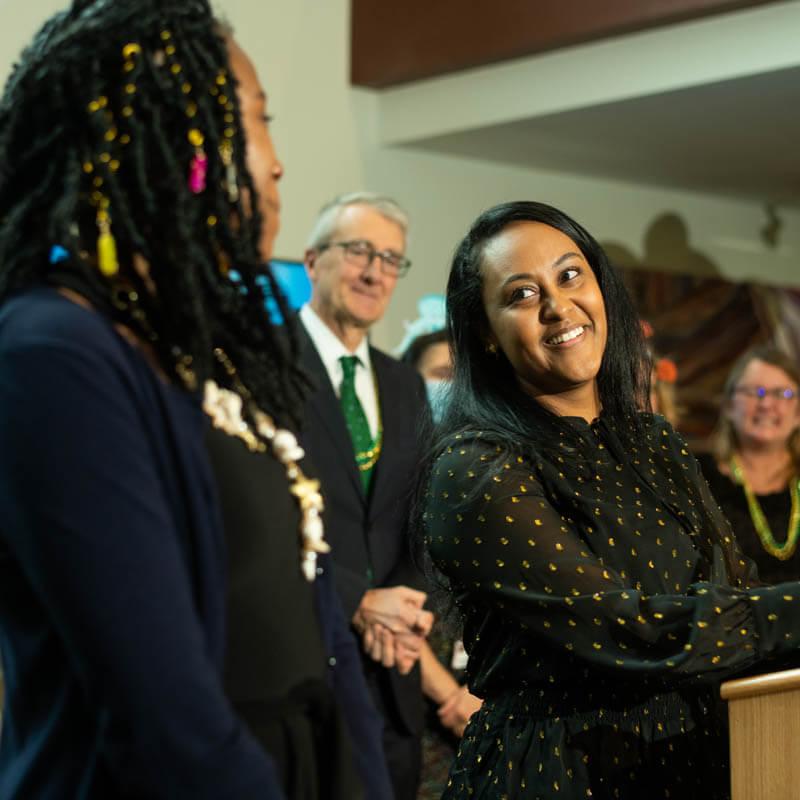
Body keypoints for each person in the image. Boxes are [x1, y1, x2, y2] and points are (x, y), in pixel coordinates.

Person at [0, 2, 350, 797]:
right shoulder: (53, 352)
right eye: (260, 121)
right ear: (188, 144)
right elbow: (160, 713)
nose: (279, 164)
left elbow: (317, 625)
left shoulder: (210, 350)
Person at [419, 200, 800, 799]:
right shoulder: (476, 470)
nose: (557, 306)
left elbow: (737, 588)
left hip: (697, 759)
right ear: (486, 336)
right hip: (561, 772)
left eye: (571, 275)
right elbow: (623, 631)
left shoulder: (654, 442)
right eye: (521, 294)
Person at [298, 192, 433, 800]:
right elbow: (262, 513)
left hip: (391, 681)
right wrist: (356, 599)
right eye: (359, 251)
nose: (375, 272)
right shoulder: (264, 364)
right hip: (301, 667)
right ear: (312, 260)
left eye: (390, 259)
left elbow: (415, 515)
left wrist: (401, 611)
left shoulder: (405, 383)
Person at [697, 346, 800, 585]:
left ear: (797, 413)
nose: (766, 404)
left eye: (782, 394)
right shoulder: (696, 478)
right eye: (756, 392)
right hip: (728, 618)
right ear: (730, 406)